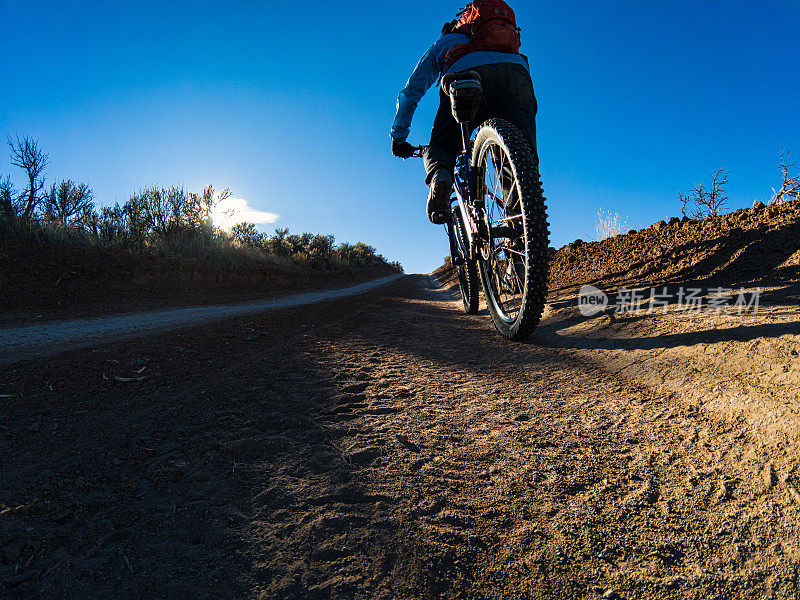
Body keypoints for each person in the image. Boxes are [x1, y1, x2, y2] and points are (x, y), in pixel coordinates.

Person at [390, 1, 539, 224]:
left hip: (465, 76)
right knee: (518, 162)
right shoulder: (504, 40)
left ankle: (441, 174)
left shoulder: (445, 42)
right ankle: (522, 230)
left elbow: (411, 92)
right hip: (516, 75)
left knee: (442, 146)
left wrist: (398, 138)